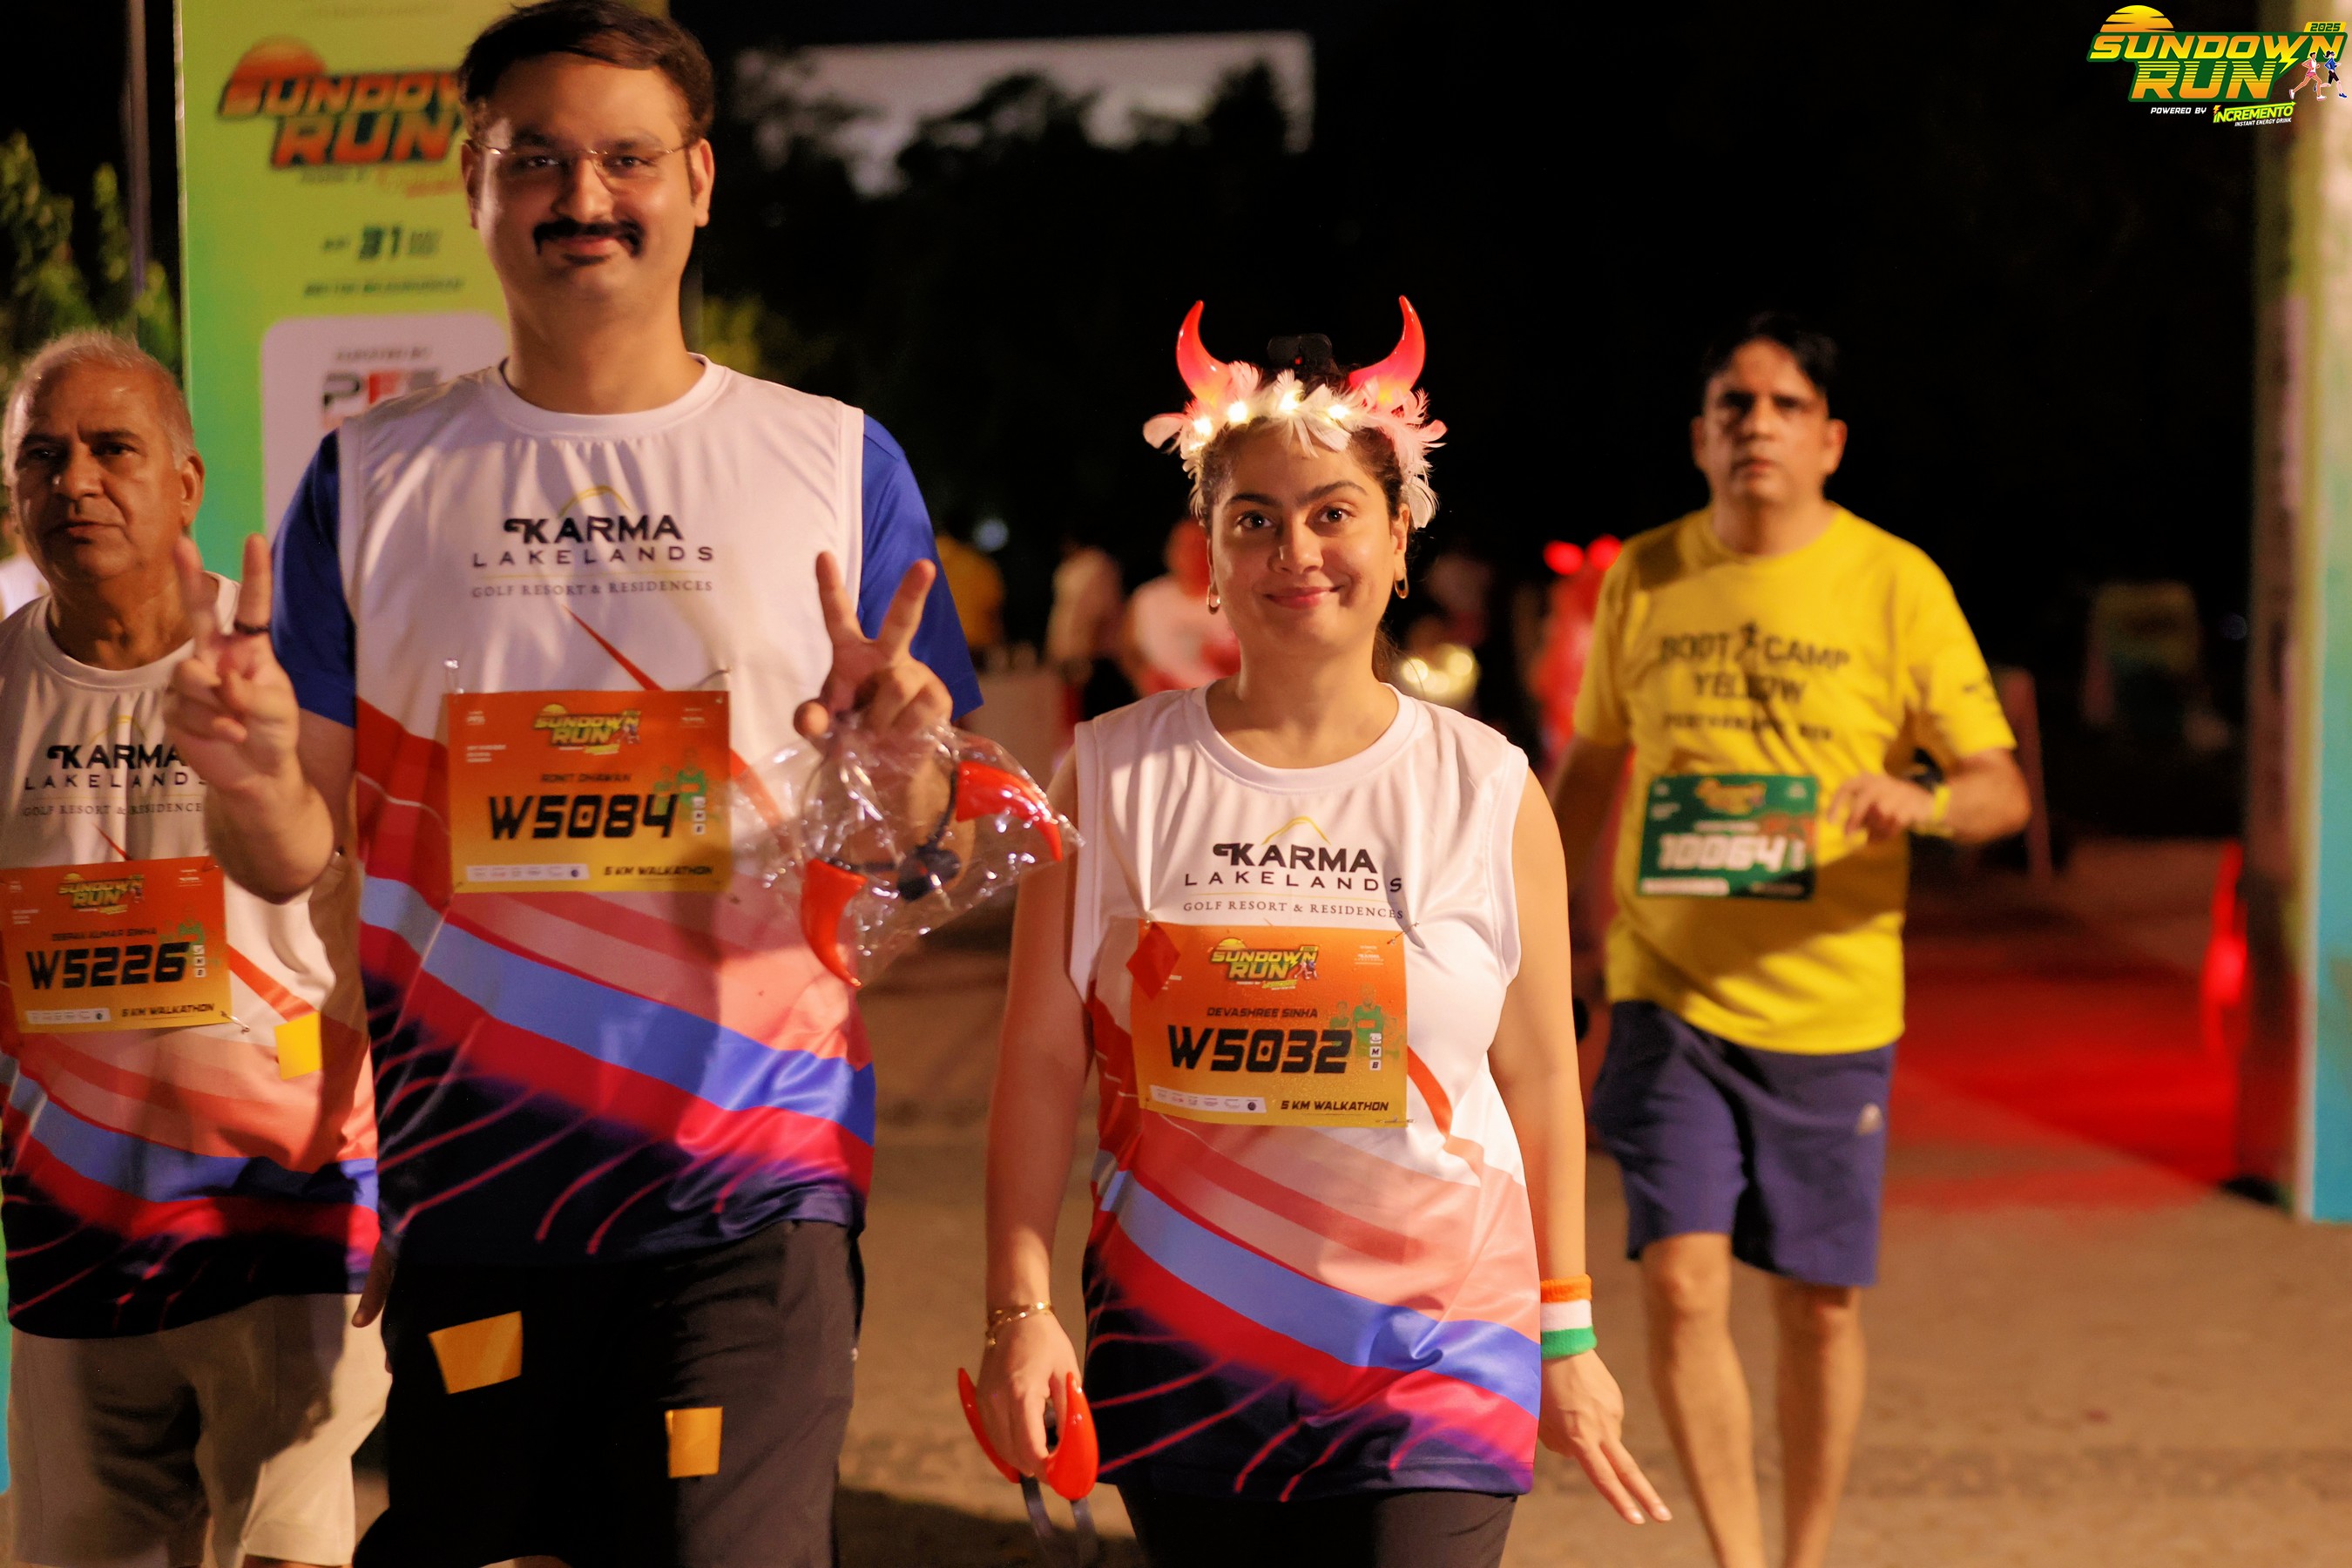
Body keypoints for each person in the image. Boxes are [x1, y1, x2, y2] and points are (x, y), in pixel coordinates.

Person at [162, 6, 980, 1565]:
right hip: (479, 1180)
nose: (583, 197)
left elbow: (921, 836)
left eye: (626, 158)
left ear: (701, 181)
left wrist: (903, 774)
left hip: (755, 1181)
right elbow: (282, 854)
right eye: (535, 159)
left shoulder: (832, 460)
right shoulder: (371, 477)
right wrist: (255, 772)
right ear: (471, 182)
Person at [977, 301, 1668, 1568]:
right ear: (1208, 554)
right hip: (1186, 1345)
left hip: (1441, 1351)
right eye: (1254, 519)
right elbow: (1038, 1057)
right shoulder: (1110, 775)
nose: (1296, 550)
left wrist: (1567, 1335)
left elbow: (1537, 1077)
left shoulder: (1486, 786)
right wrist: (1017, 1312)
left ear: (1400, 540)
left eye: (1334, 512)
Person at [1549, 313, 2031, 1568]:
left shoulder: (1896, 582)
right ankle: (1740, 1560)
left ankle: (1804, 1556)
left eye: (1786, 405)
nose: (1757, 424)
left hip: (1833, 1004)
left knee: (1820, 1311)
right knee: (1681, 1281)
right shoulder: (1644, 575)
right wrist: (1534, 930)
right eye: (1734, 404)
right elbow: (1591, 772)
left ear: (1831, 440)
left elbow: (2000, 788)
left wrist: (1922, 801)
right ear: (1700, 437)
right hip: (1668, 993)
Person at [2, 332, 383, 1568]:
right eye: (42, 457)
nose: (74, 483)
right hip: (67, 1243)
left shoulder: (291, 672)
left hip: (287, 1221)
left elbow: (399, 917)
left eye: (112, 449)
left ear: (186, 482)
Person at [1122, 517, 1239, 693]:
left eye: (1199, 547)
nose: (1190, 555)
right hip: (1167, 705)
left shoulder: (1238, 600)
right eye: (1183, 546)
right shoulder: (1148, 598)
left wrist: (1228, 664)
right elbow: (1130, 651)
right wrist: (1143, 676)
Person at [1045, 537, 1130, 719]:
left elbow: (1098, 612)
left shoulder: (1096, 565)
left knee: (1097, 716)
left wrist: (1086, 656)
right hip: (1073, 657)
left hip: (1094, 658)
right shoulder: (1069, 567)